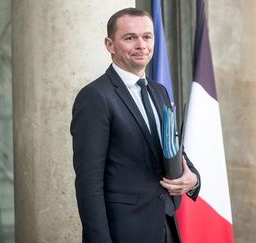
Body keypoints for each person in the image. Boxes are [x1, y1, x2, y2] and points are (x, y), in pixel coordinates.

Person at [70, 8, 200, 243]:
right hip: (124, 232)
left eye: (147, 37)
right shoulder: (94, 97)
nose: (141, 45)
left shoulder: (159, 91)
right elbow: (89, 183)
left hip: (167, 226)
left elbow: (172, 148)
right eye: (130, 38)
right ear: (110, 44)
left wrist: (193, 179)